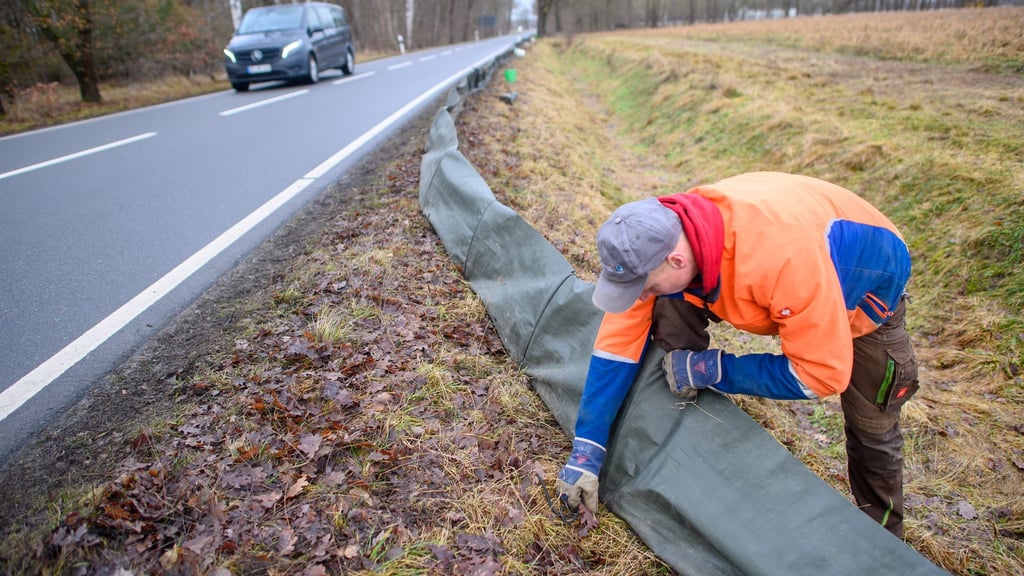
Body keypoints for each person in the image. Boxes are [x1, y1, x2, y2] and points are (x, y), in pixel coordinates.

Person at [556, 172, 919, 538]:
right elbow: (617, 346)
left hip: (864, 294)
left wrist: (712, 369)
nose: (638, 296)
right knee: (664, 306)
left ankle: (885, 544)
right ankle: (675, 431)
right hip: (788, 258)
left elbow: (821, 374)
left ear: (678, 261)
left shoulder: (782, 261)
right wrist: (587, 449)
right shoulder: (659, 235)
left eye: (643, 286)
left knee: (872, 428)